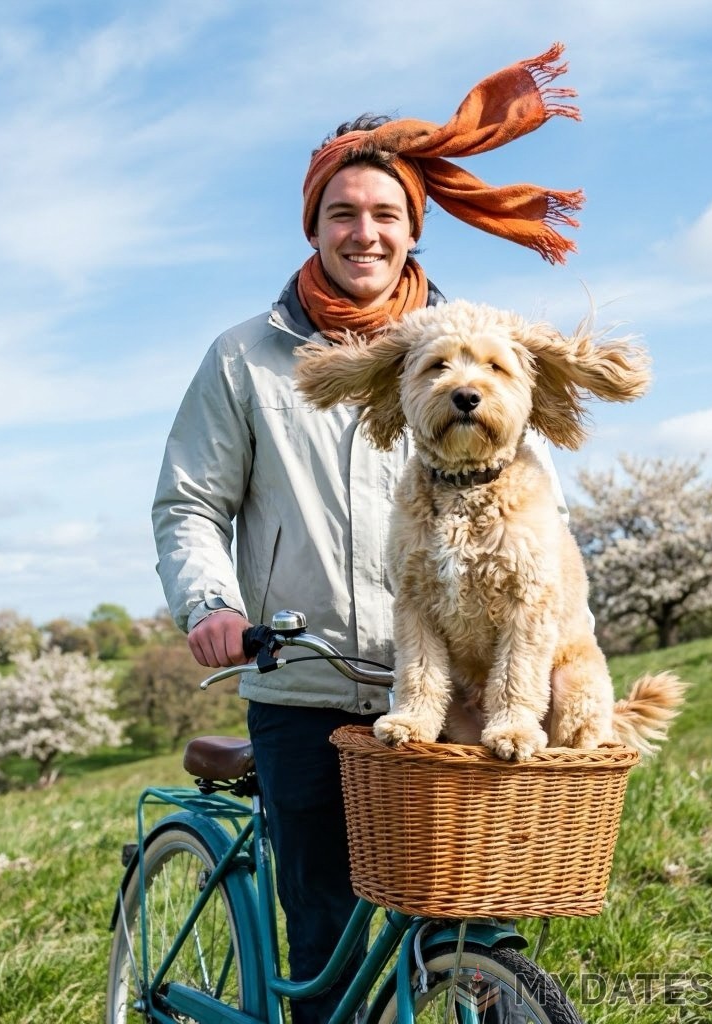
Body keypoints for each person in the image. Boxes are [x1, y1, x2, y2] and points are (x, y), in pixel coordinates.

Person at [153, 43, 583, 1023]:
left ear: (411, 228)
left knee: (473, 912)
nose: (364, 232)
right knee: (330, 954)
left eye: (385, 214)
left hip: (447, 686)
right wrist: (211, 603)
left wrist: (561, 634)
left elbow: (538, 512)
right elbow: (188, 502)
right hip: (303, 688)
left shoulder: (469, 348)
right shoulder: (244, 359)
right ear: (313, 223)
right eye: (342, 212)